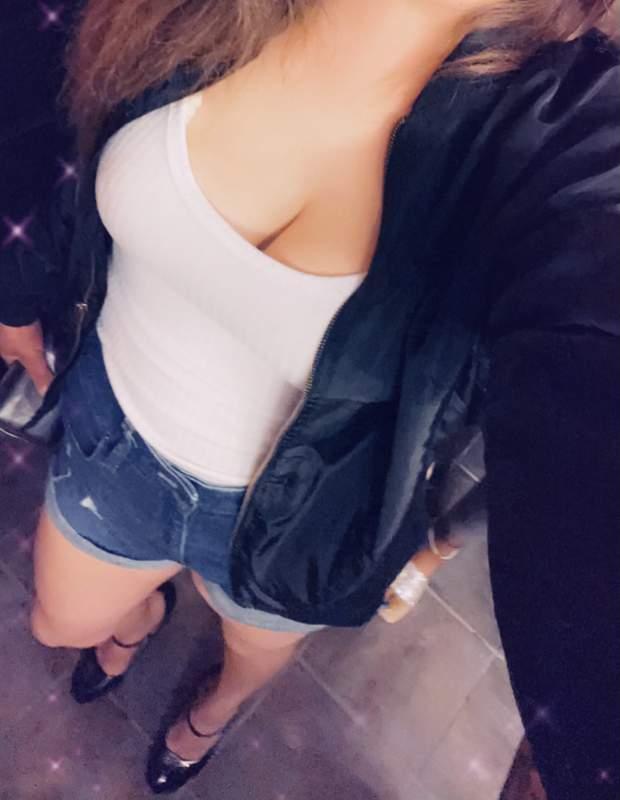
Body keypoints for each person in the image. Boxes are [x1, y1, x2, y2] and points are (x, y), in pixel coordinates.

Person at [0, 0, 618, 797]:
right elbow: (65, 123)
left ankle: (214, 714)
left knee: (252, 652)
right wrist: (18, 285)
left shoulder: (567, 136)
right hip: (113, 438)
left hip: (313, 516)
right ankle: (141, 617)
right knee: (63, 623)